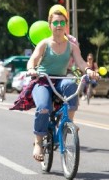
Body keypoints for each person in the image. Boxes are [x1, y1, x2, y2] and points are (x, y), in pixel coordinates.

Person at [11, 8, 98, 162]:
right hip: (43, 80)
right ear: (50, 25)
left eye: (62, 22)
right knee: (44, 107)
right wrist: (31, 69)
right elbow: (33, 59)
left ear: (66, 25)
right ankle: (38, 142)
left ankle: (68, 122)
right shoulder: (44, 44)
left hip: (60, 80)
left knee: (71, 84)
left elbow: (81, 62)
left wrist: (89, 71)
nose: (59, 25)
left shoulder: (71, 46)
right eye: (55, 22)